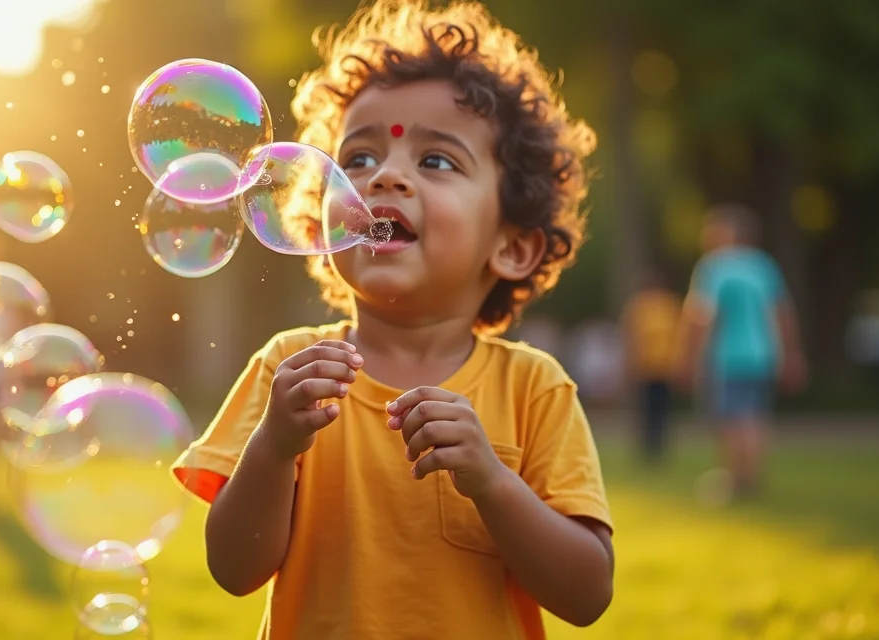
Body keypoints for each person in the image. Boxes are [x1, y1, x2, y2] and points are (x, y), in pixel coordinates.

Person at [171, 2, 614, 638]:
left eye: (436, 161)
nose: (385, 176)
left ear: (512, 245)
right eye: (356, 159)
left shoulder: (534, 389)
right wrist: (273, 445)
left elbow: (587, 593)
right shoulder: (287, 371)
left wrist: (491, 480)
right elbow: (235, 569)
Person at [676, 204, 807, 499]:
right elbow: (783, 312)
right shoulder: (763, 266)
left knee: (732, 419)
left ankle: (737, 481)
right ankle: (752, 479)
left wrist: (687, 359)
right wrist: (792, 355)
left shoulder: (715, 266)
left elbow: (701, 316)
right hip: (764, 355)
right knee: (755, 417)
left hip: (728, 357)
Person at [620, 268, 682, 464]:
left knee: (662, 410)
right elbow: (631, 336)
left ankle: (660, 447)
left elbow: (678, 336)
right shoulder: (640, 306)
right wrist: (630, 364)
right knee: (646, 410)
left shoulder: (670, 305)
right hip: (646, 368)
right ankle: (646, 447)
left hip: (665, 368)